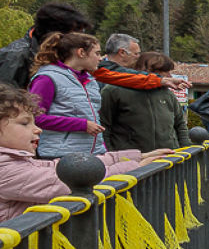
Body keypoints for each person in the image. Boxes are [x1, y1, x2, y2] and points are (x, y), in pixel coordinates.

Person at [0, 85, 160, 220]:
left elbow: (60, 166)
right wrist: (135, 166)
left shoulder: (16, 161)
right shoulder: (6, 170)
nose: (38, 129)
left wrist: (135, 156)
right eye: (24, 123)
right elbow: (76, 181)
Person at [28, 32, 111, 158]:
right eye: (97, 53)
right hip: (60, 156)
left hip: (92, 154)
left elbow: (93, 117)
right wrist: (82, 125)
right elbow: (35, 118)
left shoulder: (90, 81)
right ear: (81, 53)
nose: (100, 58)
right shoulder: (47, 79)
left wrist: (101, 147)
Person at [99, 50, 189, 153]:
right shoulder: (113, 91)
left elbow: (180, 125)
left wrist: (186, 150)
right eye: (165, 71)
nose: (170, 76)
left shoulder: (167, 94)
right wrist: (111, 155)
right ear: (148, 70)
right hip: (133, 161)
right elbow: (103, 126)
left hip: (169, 159)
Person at [0, 2, 92, 88]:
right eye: (75, 33)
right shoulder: (16, 57)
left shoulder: (61, 55)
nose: (80, 39)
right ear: (55, 33)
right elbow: (6, 99)